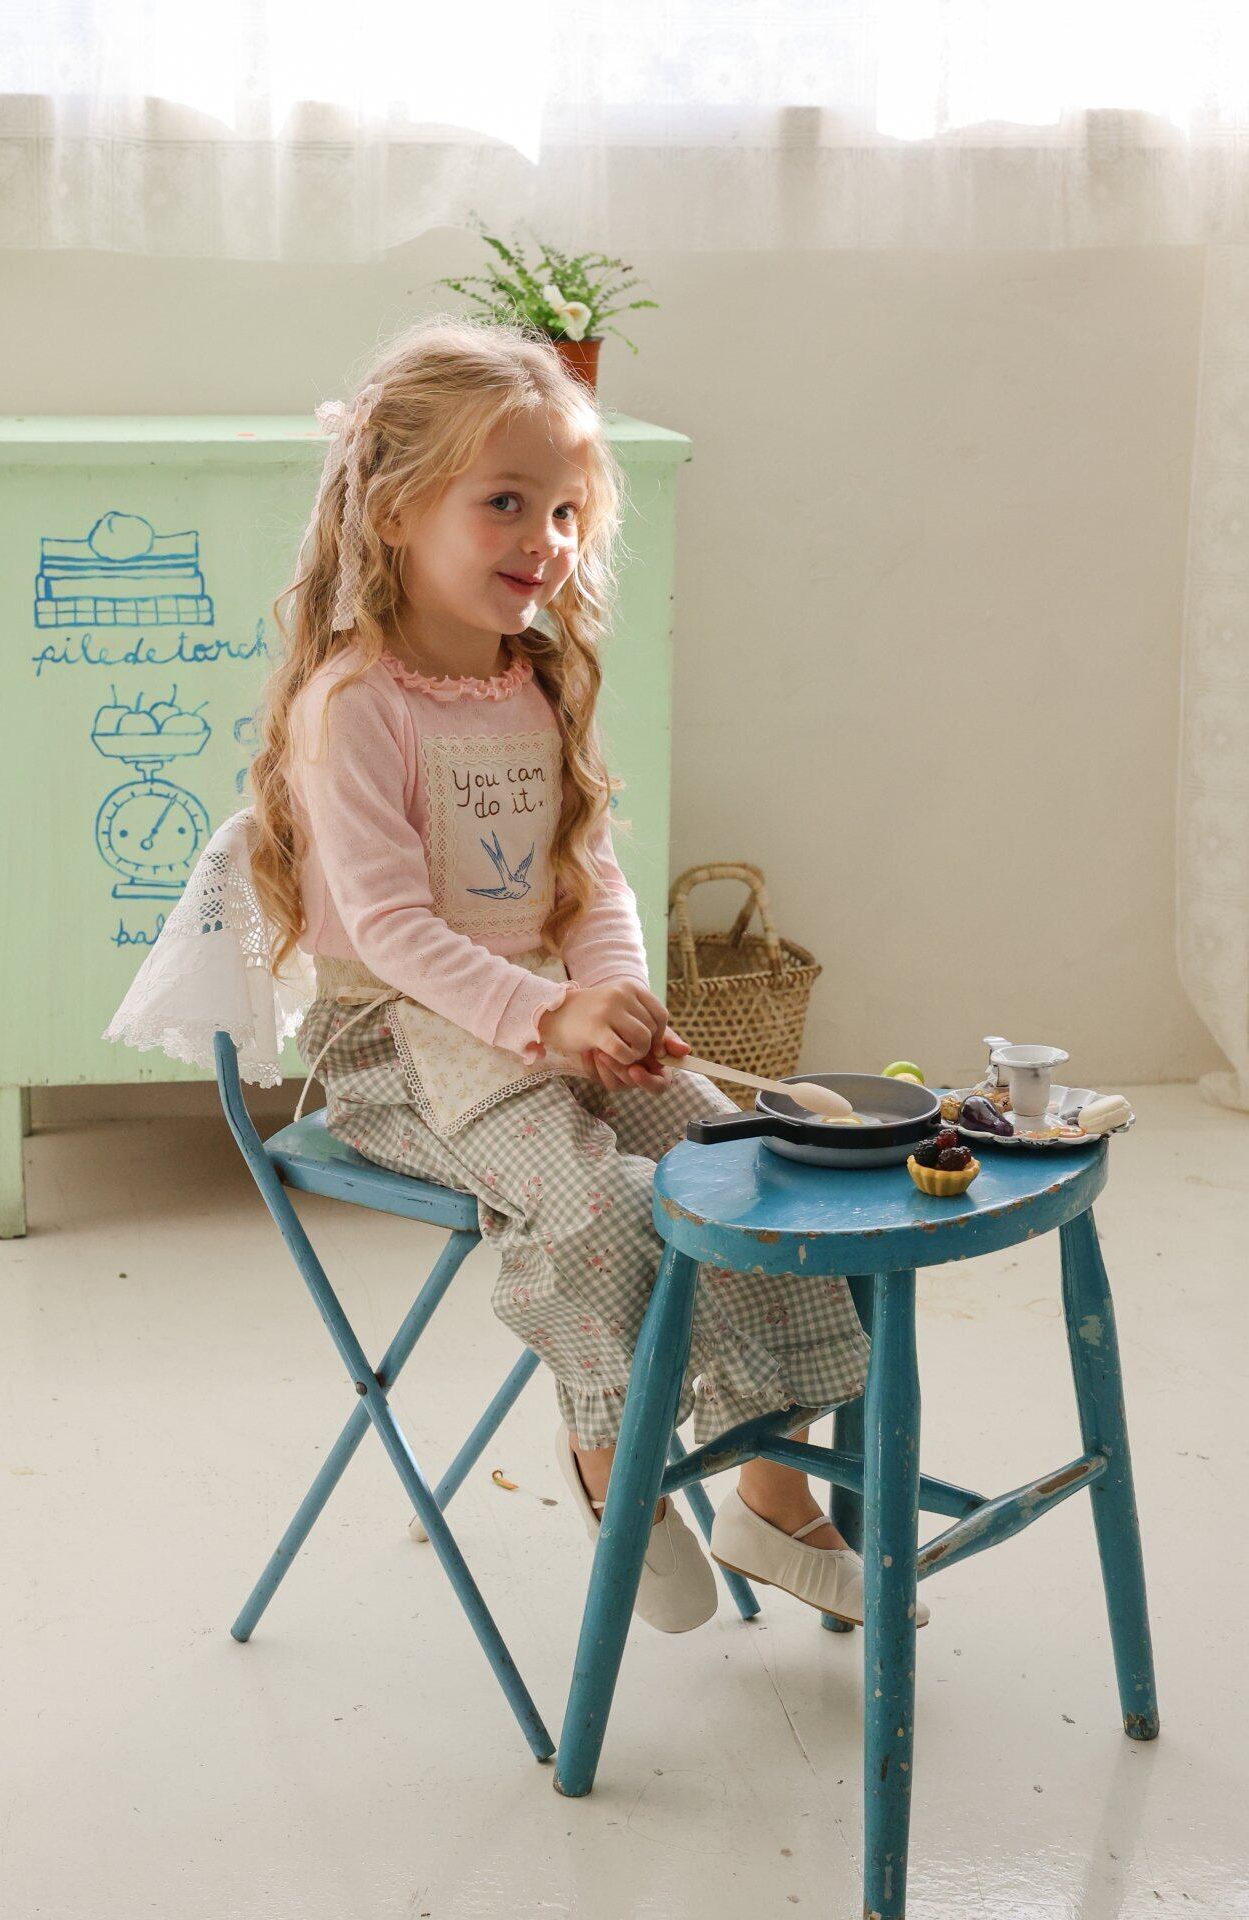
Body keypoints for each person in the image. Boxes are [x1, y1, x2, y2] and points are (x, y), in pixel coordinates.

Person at [243, 315, 925, 1634]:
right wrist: (551, 1014)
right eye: (505, 502)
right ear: (394, 509)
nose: (545, 539)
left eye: (564, 511)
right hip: (402, 1046)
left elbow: (588, 879)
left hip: (545, 1017)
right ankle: (620, 1473)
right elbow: (391, 933)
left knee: (745, 1169)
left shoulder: (536, 682)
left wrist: (613, 998)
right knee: (603, 1207)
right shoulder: (356, 704)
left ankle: (772, 1497)